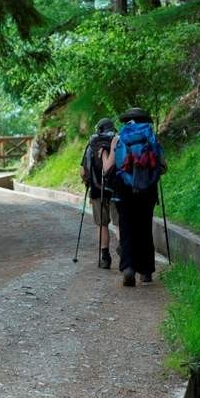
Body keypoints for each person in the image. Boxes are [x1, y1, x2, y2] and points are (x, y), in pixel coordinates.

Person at [102, 108, 166, 287]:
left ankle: (128, 268)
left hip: (124, 190)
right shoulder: (151, 136)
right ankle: (146, 272)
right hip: (147, 190)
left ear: (127, 121)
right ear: (144, 120)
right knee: (145, 228)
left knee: (127, 227)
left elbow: (108, 169)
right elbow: (162, 165)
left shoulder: (118, 138)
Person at [79, 118, 120, 269]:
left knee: (102, 224)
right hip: (116, 189)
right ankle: (123, 250)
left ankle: (105, 257)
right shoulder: (116, 141)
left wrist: (87, 181)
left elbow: (83, 171)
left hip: (97, 191)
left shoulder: (91, 144)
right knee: (118, 223)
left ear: (99, 129)